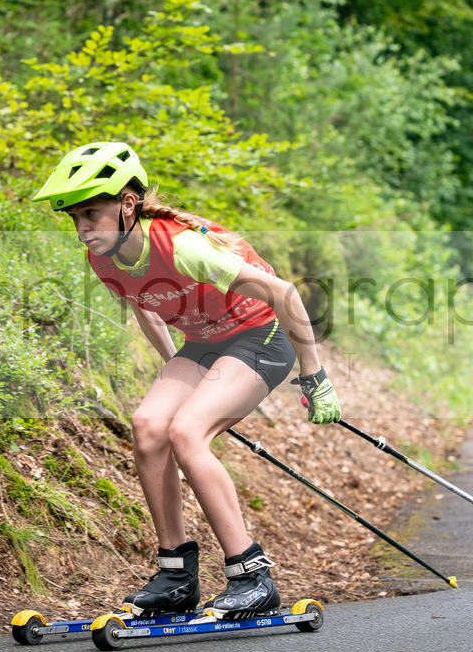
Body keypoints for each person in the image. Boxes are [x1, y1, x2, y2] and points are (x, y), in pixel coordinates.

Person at [32, 142, 341, 620]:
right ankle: (177, 575)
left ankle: (251, 575)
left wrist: (313, 373)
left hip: (263, 335)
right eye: (74, 217)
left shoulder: (183, 246)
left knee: (186, 432)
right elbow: (147, 310)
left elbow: (284, 294)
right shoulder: (106, 258)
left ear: (128, 204)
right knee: (149, 426)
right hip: (203, 342)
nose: (82, 228)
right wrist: (181, 370)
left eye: (91, 213)